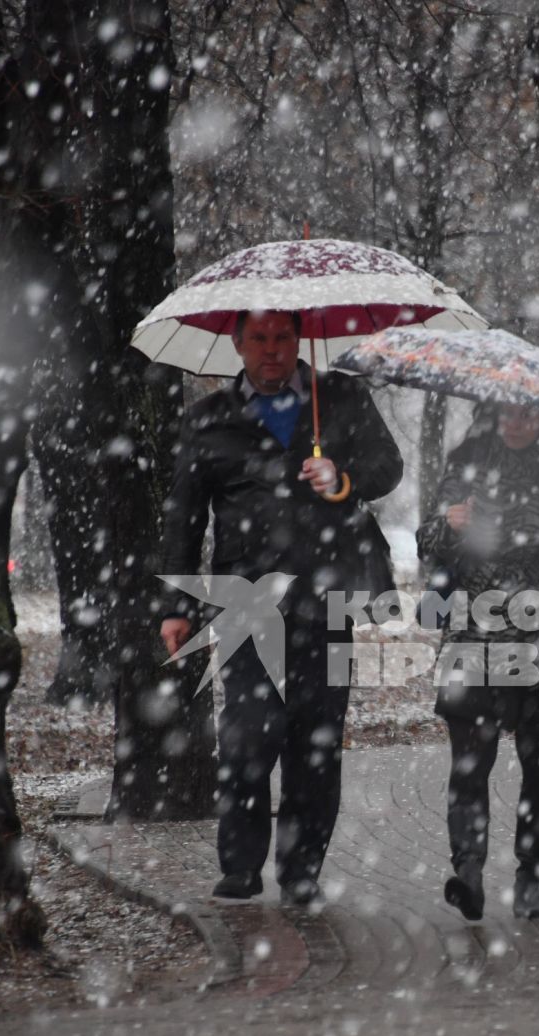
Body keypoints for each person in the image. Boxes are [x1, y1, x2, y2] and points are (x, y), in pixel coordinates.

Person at [159, 310, 403, 907]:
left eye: (283, 337)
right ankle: (241, 866)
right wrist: (176, 605)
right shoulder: (210, 419)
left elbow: (387, 470)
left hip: (327, 599)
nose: (272, 350)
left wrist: (341, 477)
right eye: (259, 339)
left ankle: (301, 870)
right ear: (237, 344)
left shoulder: (339, 396)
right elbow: (184, 517)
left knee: (315, 742)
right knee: (246, 737)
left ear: (299, 340)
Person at [417, 406, 539, 921]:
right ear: (492, 416)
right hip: (474, 634)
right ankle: (469, 872)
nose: (516, 422)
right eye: (507, 413)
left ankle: (529, 874)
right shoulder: (466, 470)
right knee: (470, 764)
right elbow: (426, 545)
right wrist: (448, 523)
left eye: (528, 415)